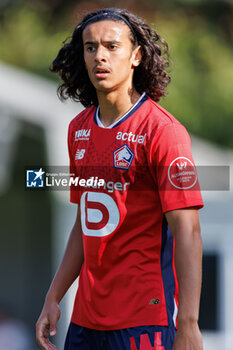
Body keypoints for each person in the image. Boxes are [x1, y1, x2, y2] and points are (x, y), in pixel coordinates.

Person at [36, 8, 204, 350]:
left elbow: (188, 230)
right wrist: (53, 297)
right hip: (85, 322)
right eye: (90, 47)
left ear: (136, 56)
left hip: (143, 321)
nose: (100, 55)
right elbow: (86, 222)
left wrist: (188, 323)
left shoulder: (163, 132)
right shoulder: (78, 129)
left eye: (112, 46)